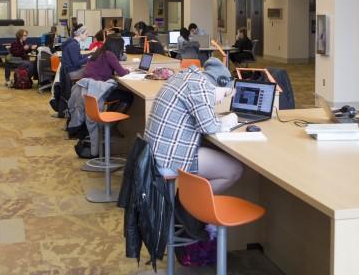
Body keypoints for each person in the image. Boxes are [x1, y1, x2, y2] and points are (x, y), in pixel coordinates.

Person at [146, 58, 243, 193]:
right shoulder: (202, 87)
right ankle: (187, 206)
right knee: (234, 170)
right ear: (218, 83)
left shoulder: (184, 77)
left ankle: (187, 201)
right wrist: (229, 120)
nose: (221, 100)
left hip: (154, 152)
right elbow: (209, 127)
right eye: (224, 93)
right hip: (168, 158)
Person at [82, 35, 134, 112]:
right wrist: (128, 70)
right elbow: (122, 73)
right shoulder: (109, 54)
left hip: (88, 88)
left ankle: (109, 115)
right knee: (129, 96)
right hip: (99, 89)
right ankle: (111, 121)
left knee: (118, 92)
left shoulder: (99, 51)